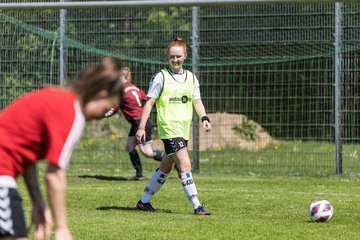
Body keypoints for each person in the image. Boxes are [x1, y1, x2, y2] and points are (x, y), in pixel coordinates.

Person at [0, 60, 125, 240]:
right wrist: (62, 228)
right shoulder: (71, 110)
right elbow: (54, 175)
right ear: (100, 94)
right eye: (106, 109)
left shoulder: (57, 98)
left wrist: (38, 202)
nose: (100, 116)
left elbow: (26, 156)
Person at [135, 37, 212, 215]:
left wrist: (204, 117)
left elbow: (197, 101)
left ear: (185, 56)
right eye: (172, 57)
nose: (175, 60)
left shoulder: (191, 78)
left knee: (166, 166)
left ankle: (144, 202)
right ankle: (197, 206)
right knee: (185, 165)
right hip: (169, 129)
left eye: (178, 56)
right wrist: (141, 127)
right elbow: (148, 103)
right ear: (167, 57)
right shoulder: (161, 77)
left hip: (183, 130)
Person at [116, 66, 165, 180]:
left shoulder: (121, 90)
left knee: (147, 152)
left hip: (140, 123)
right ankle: (139, 175)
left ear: (121, 77)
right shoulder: (135, 88)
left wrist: (106, 112)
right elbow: (147, 99)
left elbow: (114, 106)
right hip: (138, 122)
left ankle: (173, 160)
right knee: (129, 147)